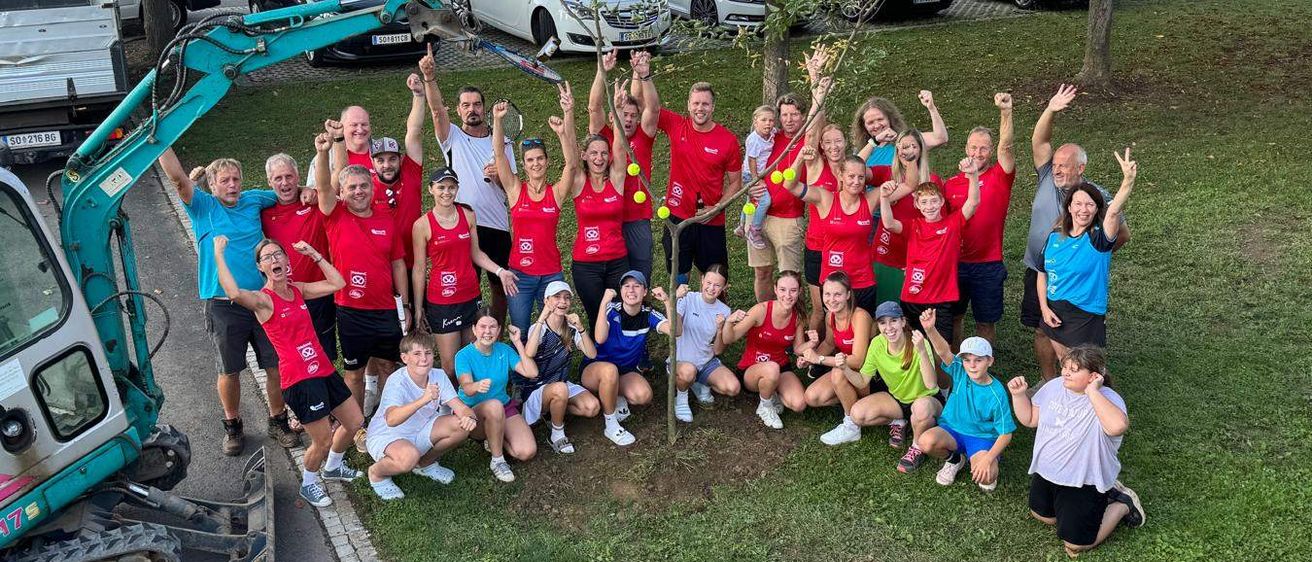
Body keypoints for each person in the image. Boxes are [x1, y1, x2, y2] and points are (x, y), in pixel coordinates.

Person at [156, 148, 291, 455]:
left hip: (261, 302)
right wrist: (161, 142)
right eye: (225, 181)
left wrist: (307, 192)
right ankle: (233, 426)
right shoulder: (203, 206)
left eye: (236, 180)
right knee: (229, 370)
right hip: (222, 305)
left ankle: (278, 420)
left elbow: (286, 194)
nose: (232, 185)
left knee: (275, 365)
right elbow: (177, 179)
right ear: (212, 185)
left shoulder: (254, 199)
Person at [212, 235, 363, 508]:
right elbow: (234, 293)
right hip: (300, 379)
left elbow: (338, 283)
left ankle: (334, 467)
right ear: (260, 267)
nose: (274, 260)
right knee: (322, 440)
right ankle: (309, 483)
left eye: (278, 254)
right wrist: (219, 254)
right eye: (267, 257)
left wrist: (314, 253)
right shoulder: (263, 300)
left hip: (324, 370)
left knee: (354, 421)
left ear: (287, 259)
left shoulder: (298, 289)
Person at [1024, 84, 1130, 380]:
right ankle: (1048, 383)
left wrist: (1088, 257)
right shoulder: (1046, 176)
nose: (1057, 169)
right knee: (1042, 330)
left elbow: (1121, 234)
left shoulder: (1096, 196)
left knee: (1078, 346)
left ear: (1080, 168)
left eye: (1064, 166)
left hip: (1076, 280)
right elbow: (1038, 141)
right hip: (1039, 269)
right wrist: (1051, 109)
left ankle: (1087, 385)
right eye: (1056, 164)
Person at [1007, 346, 1146, 556]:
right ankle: (1092, 504)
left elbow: (1117, 426)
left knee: (1075, 545)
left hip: (1084, 480)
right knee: (1043, 516)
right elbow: (1030, 419)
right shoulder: (1054, 387)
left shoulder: (1108, 399)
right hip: (1048, 472)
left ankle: (1122, 503)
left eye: (1074, 369)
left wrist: (1092, 392)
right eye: (1065, 367)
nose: (1066, 373)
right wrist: (1018, 395)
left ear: (1094, 376)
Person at [314, 128, 410, 429]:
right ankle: (353, 426)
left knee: (387, 366)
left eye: (363, 186)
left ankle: (385, 421)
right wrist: (323, 152)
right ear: (342, 192)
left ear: (372, 188)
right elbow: (323, 188)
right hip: (350, 311)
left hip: (384, 309)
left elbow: (397, 264)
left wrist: (404, 304)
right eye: (352, 187)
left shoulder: (385, 218)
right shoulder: (335, 214)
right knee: (354, 373)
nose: (358, 191)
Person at [421, 44, 516, 325]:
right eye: (466, 105)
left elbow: (512, 188)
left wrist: (500, 177)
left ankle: (496, 335)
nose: (472, 109)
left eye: (476, 104)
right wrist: (429, 78)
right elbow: (437, 110)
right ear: (459, 110)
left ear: (484, 108)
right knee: (467, 287)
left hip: (497, 225)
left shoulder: (504, 142)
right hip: (462, 226)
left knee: (501, 286)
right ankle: (470, 338)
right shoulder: (452, 138)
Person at [410, 166, 518, 380]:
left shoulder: (467, 215)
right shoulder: (422, 225)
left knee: (471, 358)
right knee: (450, 366)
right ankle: (449, 406)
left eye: (451, 187)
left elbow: (476, 253)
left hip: (470, 296)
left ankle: (472, 405)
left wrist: (500, 271)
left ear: (457, 189)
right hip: (442, 302)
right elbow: (419, 268)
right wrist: (419, 307)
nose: (446, 192)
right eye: (441, 187)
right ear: (431, 189)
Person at [493, 85, 578, 338]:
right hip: (520, 274)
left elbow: (572, 164)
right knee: (520, 329)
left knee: (554, 330)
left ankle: (552, 372)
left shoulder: (557, 193)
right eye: (530, 160)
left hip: (551, 272)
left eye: (540, 158)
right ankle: (524, 378)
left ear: (547, 161)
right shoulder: (515, 190)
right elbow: (499, 154)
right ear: (524, 164)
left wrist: (564, 133)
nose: (536, 163)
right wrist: (497, 121)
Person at [1037, 149, 1138, 359]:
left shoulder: (1099, 240)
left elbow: (1113, 212)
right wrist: (1044, 308)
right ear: (1070, 207)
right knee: (1067, 364)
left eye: (1090, 205)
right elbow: (1042, 273)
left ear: (1095, 210)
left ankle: (1101, 393)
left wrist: (1127, 181)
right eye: (1079, 204)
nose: (1084, 210)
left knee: (1087, 370)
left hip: (1085, 314)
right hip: (1054, 310)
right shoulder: (1054, 237)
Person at [749, 50, 831, 303]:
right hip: (758, 214)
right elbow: (750, 160)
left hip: (788, 219)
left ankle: (793, 325)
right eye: (784, 114)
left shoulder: (806, 139)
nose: (789, 119)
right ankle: (764, 319)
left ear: (802, 116)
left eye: (794, 114)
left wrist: (815, 77)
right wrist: (752, 184)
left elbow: (819, 118)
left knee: (789, 279)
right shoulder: (769, 137)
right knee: (762, 273)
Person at [644, 74, 742, 285]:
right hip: (677, 218)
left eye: (705, 104)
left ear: (713, 107)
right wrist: (644, 76)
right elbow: (651, 107)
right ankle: (681, 316)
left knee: (715, 281)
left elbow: (736, 182)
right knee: (679, 281)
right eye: (696, 103)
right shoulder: (677, 125)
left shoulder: (728, 140)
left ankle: (713, 316)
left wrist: (716, 207)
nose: (700, 108)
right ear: (688, 105)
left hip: (711, 220)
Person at [364, 333, 478, 500]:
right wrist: (423, 399)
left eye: (428, 353)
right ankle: (377, 473)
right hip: (388, 435)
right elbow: (392, 420)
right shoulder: (397, 381)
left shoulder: (438, 375)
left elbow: (461, 408)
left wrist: (470, 417)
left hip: (422, 428)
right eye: (417, 354)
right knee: (408, 458)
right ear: (404, 358)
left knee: (461, 427)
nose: (424, 359)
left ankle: (425, 464)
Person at [880, 157, 981, 345]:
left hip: (941, 300)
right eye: (924, 202)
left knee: (941, 350)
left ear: (942, 201)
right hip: (912, 297)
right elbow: (888, 223)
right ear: (917, 205)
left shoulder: (952, 223)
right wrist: (884, 198)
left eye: (934, 201)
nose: (930, 206)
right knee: (912, 347)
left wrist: (973, 175)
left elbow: (973, 202)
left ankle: (942, 375)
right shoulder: (913, 226)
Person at [915, 309, 1016, 492]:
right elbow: (944, 351)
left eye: (978, 360)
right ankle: (955, 460)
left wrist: (988, 458)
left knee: (987, 478)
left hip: (981, 438)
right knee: (926, 441)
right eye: (967, 360)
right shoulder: (960, 371)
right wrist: (930, 329)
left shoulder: (997, 393)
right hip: (952, 429)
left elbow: (1006, 433)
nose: (972, 365)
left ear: (990, 361)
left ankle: (979, 457)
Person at [837, 302, 944, 471]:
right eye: (882, 322)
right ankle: (900, 421)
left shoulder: (917, 341)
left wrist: (922, 351)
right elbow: (863, 381)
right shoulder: (877, 344)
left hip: (927, 399)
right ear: (878, 326)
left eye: (893, 320)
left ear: (903, 322)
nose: (889, 327)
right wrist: (845, 369)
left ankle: (916, 447)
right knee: (857, 414)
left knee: (921, 408)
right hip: (899, 399)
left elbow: (931, 384)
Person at [946, 93, 1016, 346]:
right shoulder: (951, 184)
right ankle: (955, 369)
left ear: (990, 150)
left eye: (984, 148)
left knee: (985, 322)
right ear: (966, 149)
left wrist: (1005, 112)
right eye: (973, 147)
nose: (978, 152)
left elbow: (1006, 148)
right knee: (955, 317)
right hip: (955, 262)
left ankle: (984, 371)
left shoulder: (1000, 176)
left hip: (988, 264)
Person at [260, 153, 335, 375]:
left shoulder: (314, 204)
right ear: (269, 182)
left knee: (324, 354)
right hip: (283, 298)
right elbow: (231, 204)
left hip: (318, 294)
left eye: (289, 177)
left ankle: (331, 405)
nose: (285, 183)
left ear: (298, 176)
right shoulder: (263, 212)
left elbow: (333, 183)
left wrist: (308, 189)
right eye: (278, 178)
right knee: (292, 357)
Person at [782, 149, 880, 315]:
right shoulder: (825, 198)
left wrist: (910, 159)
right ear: (841, 175)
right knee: (834, 330)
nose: (856, 181)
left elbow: (909, 185)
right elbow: (789, 185)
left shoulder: (871, 199)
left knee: (864, 329)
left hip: (863, 280)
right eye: (851, 176)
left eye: (861, 177)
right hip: (833, 281)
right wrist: (799, 158)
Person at [590, 50, 659, 282]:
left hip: (637, 218)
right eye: (623, 114)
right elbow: (594, 107)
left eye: (632, 115)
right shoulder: (604, 136)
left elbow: (654, 109)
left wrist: (645, 75)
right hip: (608, 216)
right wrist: (602, 72)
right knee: (612, 275)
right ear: (612, 116)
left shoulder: (644, 136)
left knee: (641, 274)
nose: (627, 119)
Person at [584, 271, 673, 445]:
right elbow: (600, 338)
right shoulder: (611, 310)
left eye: (636, 286)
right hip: (595, 370)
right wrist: (604, 302)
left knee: (643, 396)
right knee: (610, 371)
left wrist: (667, 301)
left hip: (624, 372)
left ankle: (614, 394)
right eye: (626, 286)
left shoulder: (649, 313)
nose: (631, 290)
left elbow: (675, 331)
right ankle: (610, 424)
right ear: (621, 290)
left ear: (645, 291)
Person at [570, 84, 632, 329]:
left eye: (604, 153)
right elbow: (570, 155)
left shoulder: (616, 179)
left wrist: (616, 109)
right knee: (596, 315)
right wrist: (569, 113)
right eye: (594, 153)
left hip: (618, 261)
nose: (599, 158)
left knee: (619, 313)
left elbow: (619, 144)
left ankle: (622, 359)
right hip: (586, 265)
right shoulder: (577, 182)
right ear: (584, 155)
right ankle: (597, 360)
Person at [455, 308, 538, 482]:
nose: (487, 331)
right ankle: (497, 460)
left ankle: (493, 440)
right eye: (482, 326)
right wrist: (476, 385)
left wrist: (517, 343)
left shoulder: (504, 350)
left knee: (526, 452)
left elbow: (531, 372)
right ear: (474, 329)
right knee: (493, 406)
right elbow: (467, 388)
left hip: (503, 407)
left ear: (499, 330)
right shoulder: (463, 356)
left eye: (492, 327)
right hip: (473, 414)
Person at [520, 281, 603, 454]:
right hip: (536, 388)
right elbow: (529, 353)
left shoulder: (571, 327)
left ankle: (553, 412)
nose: (562, 302)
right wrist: (541, 318)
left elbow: (592, 354)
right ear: (546, 300)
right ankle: (557, 434)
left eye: (566, 298)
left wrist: (580, 328)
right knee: (560, 389)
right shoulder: (539, 328)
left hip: (561, 383)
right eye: (557, 297)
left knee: (592, 407)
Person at [721, 271, 809, 430]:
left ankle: (772, 389)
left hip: (780, 367)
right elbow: (729, 339)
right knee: (771, 368)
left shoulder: (798, 317)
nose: (787, 295)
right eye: (782, 290)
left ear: (799, 291)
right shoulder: (761, 310)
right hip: (751, 368)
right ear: (775, 289)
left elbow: (797, 349)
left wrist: (813, 344)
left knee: (799, 404)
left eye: (793, 290)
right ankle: (765, 406)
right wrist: (728, 322)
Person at [800, 272, 873, 446]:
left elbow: (858, 361)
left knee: (838, 373)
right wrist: (809, 358)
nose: (831, 299)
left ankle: (852, 426)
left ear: (848, 295)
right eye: (827, 294)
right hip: (850, 372)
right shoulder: (830, 316)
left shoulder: (859, 317)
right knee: (812, 397)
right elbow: (828, 343)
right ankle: (856, 405)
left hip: (870, 377)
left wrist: (819, 359)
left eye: (837, 294)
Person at [367, 71, 429, 271]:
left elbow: (414, 131)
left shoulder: (411, 173)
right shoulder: (365, 188)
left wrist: (419, 96)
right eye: (381, 160)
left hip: (413, 264)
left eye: (392, 159)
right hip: (380, 265)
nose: (387, 165)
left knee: (415, 304)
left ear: (401, 159)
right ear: (372, 162)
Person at [871, 129, 941, 305]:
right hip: (886, 254)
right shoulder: (886, 174)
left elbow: (939, 226)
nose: (907, 151)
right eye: (902, 146)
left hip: (918, 257)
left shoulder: (933, 181)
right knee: (884, 311)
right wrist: (873, 142)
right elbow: (854, 169)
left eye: (912, 146)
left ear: (921, 150)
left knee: (915, 316)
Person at [670, 264, 737, 421]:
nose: (711, 288)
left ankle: (697, 383)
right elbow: (676, 331)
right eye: (708, 283)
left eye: (717, 285)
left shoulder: (725, 311)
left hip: (705, 362)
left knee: (732, 388)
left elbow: (719, 350)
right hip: (681, 361)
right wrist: (675, 299)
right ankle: (681, 398)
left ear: (724, 287)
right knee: (687, 371)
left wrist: (721, 329)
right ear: (702, 279)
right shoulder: (687, 298)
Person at [799, 123, 846, 331]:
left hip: (845, 246)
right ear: (821, 146)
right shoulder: (816, 166)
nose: (833, 146)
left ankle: (840, 349)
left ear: (846, 142)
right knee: (820, 308)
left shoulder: (852, 168)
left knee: (844, 305)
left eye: (838, 141)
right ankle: (812, 353)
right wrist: (820, 93)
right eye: (828, 142)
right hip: (817, 246)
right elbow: (810, 133)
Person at [853, 90, 947, 168]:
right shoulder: (862, 150)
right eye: (870, 122)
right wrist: (875, 141)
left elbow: (940, 138)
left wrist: (931, 108)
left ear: (890, 119)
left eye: (880, 119)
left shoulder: (906, 139)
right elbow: (853, 168)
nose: (877, 125)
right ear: (864, 126)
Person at [735, 105, 776, 250]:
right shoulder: (754, 140)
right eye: (763, 120)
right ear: (755, 121)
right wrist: (755, 179)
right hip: (749, 175)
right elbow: (751, 160)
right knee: (764, 201)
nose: (768, 123)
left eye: (771, 120)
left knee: (752, 200)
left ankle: (741, 225)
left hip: (759, 173)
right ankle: (754, 230)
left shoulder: (772, 133)